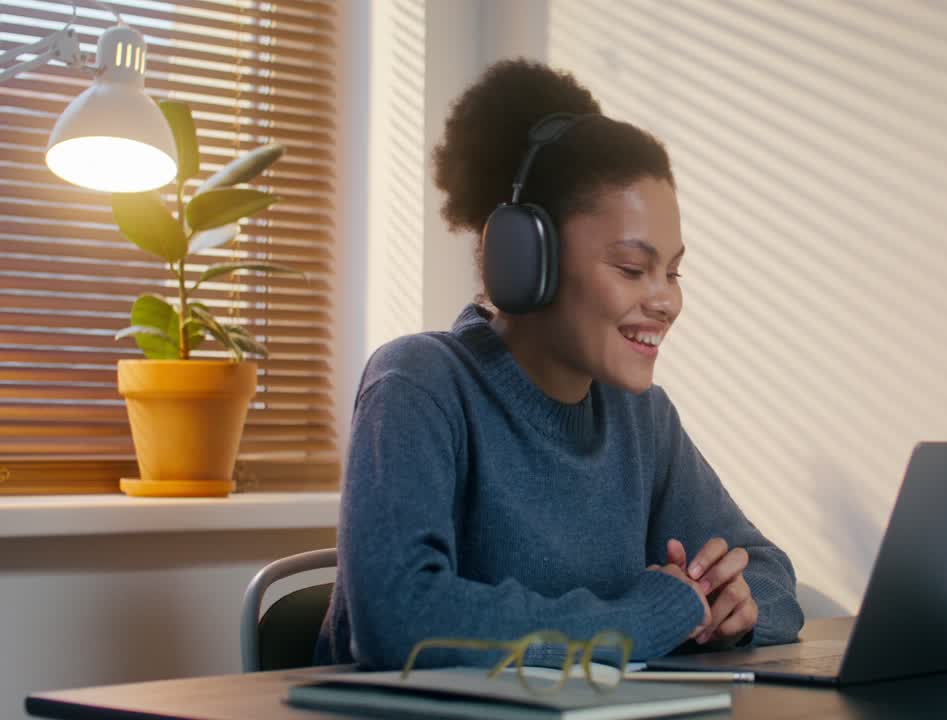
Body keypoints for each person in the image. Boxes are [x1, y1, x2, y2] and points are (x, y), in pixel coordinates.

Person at [316, 59, 803, 670]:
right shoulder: (420, 383)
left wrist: (737, 602)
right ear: (527, 257)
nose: (667, 300)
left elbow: (773, 576)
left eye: (673, 271)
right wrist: (649, 615)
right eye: (632, 268)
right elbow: (401, 624)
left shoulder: (640, 418)